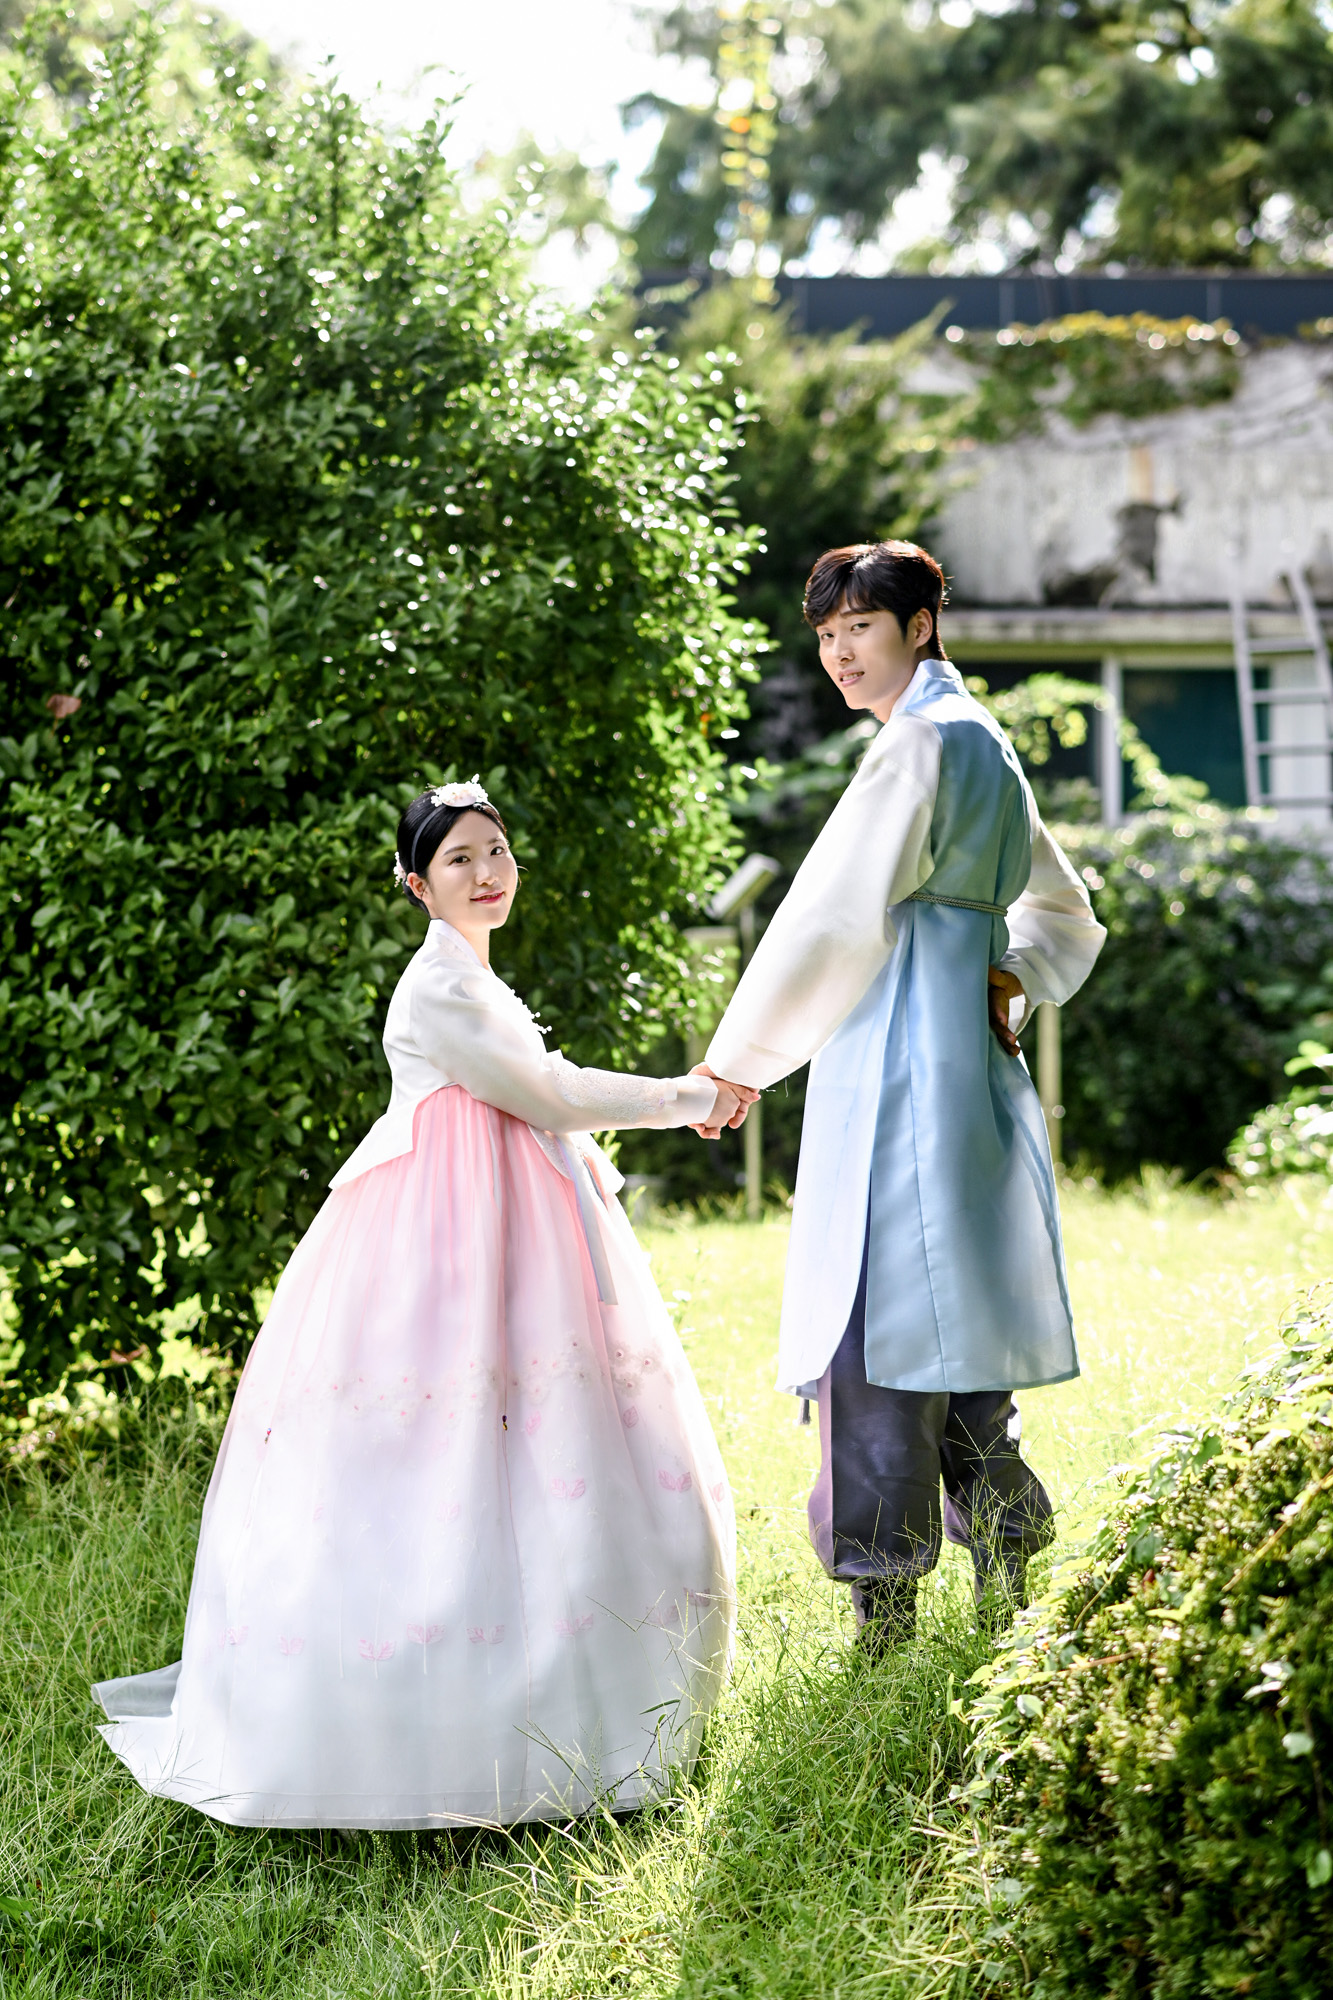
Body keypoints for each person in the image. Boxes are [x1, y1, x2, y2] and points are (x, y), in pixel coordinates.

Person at [94, 780, 739, 1829]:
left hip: (512, 1234)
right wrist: (689, 1097)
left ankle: (584, 1690)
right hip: (446, 1248)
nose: (486, 873)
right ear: (416, 885)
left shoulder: (471, 974)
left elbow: (536, 1090)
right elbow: (548, 1091)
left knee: (545, 1438)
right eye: (458, 860)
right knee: (442, 1448)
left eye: (497, 852)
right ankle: (440, 1715)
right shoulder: (438, 985)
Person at [700, 542, 1106, 1652]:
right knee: (958, 1322)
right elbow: (1066, 912)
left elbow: (830, 921)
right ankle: (1007, 1581)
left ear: (919, 625)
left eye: (861, 629)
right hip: (966, 1073)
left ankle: (884, 1621)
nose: (840, 653)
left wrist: (736, 1063)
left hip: (890, 1069)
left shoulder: (916, 743)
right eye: (827, 635)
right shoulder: (982, 740)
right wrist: (1009, 976)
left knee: (871, 1334)